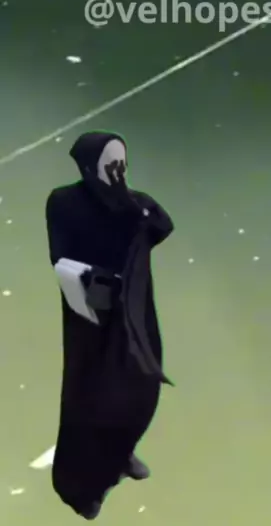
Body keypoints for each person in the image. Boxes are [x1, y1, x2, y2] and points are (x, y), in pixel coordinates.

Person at [46, 131, 174, 519]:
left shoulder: (134, 204)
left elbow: (163, 226)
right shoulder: (64, 201)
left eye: (122, 164)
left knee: (142, 386)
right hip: (90, 315)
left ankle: (122, 452)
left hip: (132, 311)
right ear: (89, 167)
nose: (118, 171)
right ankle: (85, 486)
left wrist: (129, 203)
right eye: (110, 164)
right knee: (90, 396)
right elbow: (59, 253)